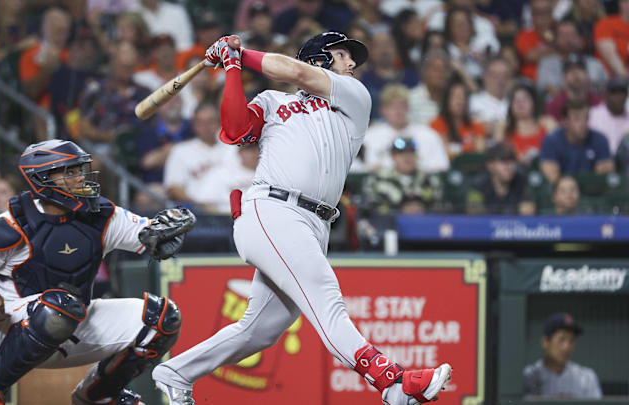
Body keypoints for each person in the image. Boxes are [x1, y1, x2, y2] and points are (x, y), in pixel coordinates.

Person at [151, 32, 453, 405]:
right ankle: (391, 382)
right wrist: (232, 67)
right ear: (320, 58)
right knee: (327, 299)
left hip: (315, 223)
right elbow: (235, 130)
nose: (352, 63)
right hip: (272, 208)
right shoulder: (274, 101)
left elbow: (295, 72)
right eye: (342, 55)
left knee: (261, 331)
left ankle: (175, 372)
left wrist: (239, 54)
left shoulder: (354, 97)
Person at [0, 140, 196, 405]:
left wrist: (162, 232)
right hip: (8, 326)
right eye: (68, 172)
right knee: (59, 307)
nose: (80, 177)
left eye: (80, 169)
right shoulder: (10, 223)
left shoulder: (101, 214)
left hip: (73, 317)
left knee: (162, 318)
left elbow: (146, 233)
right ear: (42, 179)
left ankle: (99, 394)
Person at [362, 84, 449, 173]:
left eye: (402, 106)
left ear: (408, 108)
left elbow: (441, 167)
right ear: (382, 110)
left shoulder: (428, 134)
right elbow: (362, 168)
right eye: (392, 107)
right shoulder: (370, 137)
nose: (397, 111)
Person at [524, 312, 602, 398]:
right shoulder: (528, 376)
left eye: (571, 340)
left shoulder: (586, 378)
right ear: (545, 342)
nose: (567, 347)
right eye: (561, 339)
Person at [362, 137, 443, 214]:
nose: (407, 157)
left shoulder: (429, 179)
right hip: (389, 224)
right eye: (401, 154)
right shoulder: (378, 179)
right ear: (393, 157)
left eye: (411, 153)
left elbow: (439, 206)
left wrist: (422, 208)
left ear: (416, 156)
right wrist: (398, 209)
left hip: (423, 224)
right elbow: (370, 207)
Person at [540, 100, 614, 183]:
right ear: (565, 122)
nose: (583, 123)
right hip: (562, 193)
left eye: (586, 118)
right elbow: (551, 178)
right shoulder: (551, 141)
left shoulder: (600, 140)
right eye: (577, 119)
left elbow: (604, 177)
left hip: (593, 193)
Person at [496, 81, 557, 165]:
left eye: (525, 99)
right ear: (510, 106)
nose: (520, 103)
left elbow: (557, 153)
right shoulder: (503, 128)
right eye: (515, 99)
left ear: (534, 102)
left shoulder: (548, 124)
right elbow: (498, 159)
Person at [466, 144, 535, 215]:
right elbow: (474, 213)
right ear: (490, 165)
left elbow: (528, 212)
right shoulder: (477, 185)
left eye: (512, 161)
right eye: (503, 161)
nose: (509, 167)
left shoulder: (521, 182)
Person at [588, 77, 629, 154]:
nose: (619, 96)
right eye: (614, 92)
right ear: (606, 94)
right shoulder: (593, 115)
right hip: (598, 160)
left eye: (622, 91)